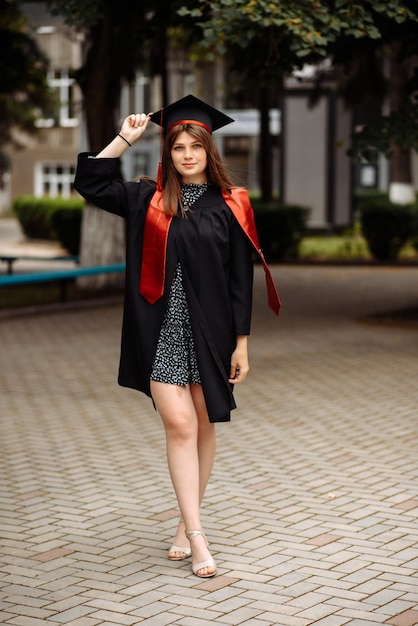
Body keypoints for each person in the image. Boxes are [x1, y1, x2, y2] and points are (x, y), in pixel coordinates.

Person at [74, 94, 280, 579]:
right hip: (161, 333)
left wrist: (243, 343)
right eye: (178, 146)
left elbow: (238, 278)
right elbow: (89, 181)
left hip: (211, 335)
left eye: (196, 146)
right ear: (167, 152)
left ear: (210, 151)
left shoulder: (232, 205)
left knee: (205, 426)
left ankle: (186, 520)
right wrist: (125, 137)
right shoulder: (146, 198)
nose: (187, 155)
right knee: (182, 427)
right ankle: (197, 536)